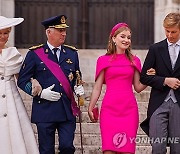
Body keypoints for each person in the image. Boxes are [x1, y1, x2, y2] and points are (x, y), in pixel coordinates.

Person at [17, 15, 84, 154]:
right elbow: (22, 81)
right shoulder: (35, 54)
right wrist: (40, 93)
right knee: (46, 150)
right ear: (48, 32)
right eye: (60, 30)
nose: (64, 33)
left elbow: (77, 76)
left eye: (65, 30)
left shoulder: (72, 53)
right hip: (45, 111)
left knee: (67, 147)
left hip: (66, 110)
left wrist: (78, 88)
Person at [88, 23, 155, 154]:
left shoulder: (134, 61)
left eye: (129, 37)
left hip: (129, 111)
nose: (126, 40)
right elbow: (97, 88)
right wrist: (91, 107)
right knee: (109, 150)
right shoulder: (103, 60)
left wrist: (151, 77)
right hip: (109, 111)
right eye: (122, 36)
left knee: (127, 151)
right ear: (113, 38)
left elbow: (138, 87)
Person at [140, 12, 180, 154]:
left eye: (173, 32)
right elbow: (143, 77)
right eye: (167, 31)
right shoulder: (155, 49)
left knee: (178, 149)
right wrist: (164, 80)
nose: (169, 35)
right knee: (157, 147)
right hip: (158, 104)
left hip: (179, 104)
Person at [0, 16, 39, 154]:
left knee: (14, 132)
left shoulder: (13, 53)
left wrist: (35, 88)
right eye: (0, 33)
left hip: (11, 99)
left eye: (6, 33)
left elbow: (22, 79)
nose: (3, 36)